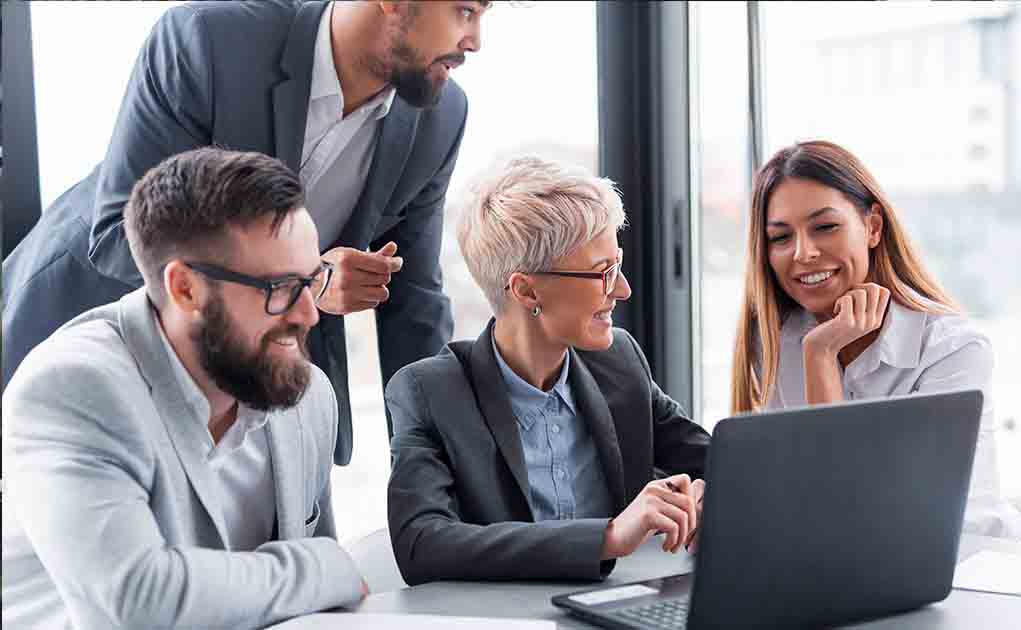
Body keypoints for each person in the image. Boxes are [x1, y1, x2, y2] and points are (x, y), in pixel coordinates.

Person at [2, 0, 492, 465]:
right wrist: (304, 281)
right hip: (82, 329)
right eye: (464, 10)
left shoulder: (441, 118)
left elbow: (414, 305)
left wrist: (437, 476)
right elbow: (117, 237)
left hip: (245, 385)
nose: (474, 41)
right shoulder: (205, 43)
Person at [2, 148, 367, 629]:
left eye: (312, 280)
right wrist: (323, 565)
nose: (308, 315)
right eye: (279, 288)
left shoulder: (307, 393)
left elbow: (318, 608)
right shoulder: (71, 386)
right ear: (186, 290)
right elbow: (140, 603)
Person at [386, 156, 712, 585]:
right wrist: (607, 537)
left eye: (618, 264)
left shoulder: (620, 363)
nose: (623, 289)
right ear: (526, 290)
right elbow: (421, 544)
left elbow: (717, 459)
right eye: (604, 273)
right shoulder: (430, 391)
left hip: (618, 610)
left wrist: (712, 490)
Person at [730, 140, 1021, 540]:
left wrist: (821, 356)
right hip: (860, 567)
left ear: (873, 227)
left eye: (825, 227)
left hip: (974, 561)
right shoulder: (777, 342)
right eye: (781, 238)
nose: (803, 253)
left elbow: (853, 510)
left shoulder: (952, 349)